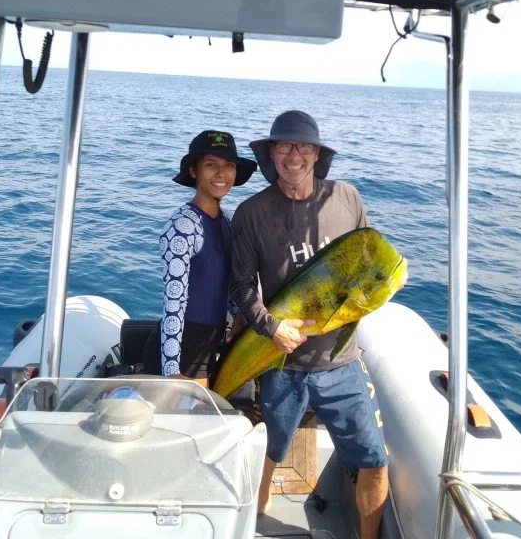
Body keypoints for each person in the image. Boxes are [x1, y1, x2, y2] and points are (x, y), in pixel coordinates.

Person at [230, 111, 393, 539]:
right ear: (271, 154)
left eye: (303, 146)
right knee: (271, 450)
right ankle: (256, 517)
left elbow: (368, 263)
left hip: (341, 360)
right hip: (281, 361)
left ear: (317, 153)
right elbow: (242, 287)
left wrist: (379, 292)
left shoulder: (347, 198)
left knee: (375, 461)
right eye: (284, 145)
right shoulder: (251, 213)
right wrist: (271, 328)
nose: (294, 155)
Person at [154, 130, 256, 388]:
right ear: (193, 171)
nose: (222, 173)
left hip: (213, 340)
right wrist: (171, 369)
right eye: (211, 165)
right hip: (187, 347)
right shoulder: (182, 226)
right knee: (198, 412)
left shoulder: (228, 220)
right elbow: (173, 302)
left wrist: (239, 315)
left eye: (229, 165)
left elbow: (226, 281)